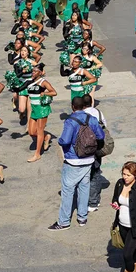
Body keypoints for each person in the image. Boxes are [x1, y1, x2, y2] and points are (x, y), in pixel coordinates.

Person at [49, 95, 105, 230]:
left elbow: (66, 140)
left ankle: (64, 221)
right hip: (89, 158)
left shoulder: (70, 121)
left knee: (68, 190)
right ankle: (82, 218)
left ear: (73, 106)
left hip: (73, 159)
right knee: (84, 187)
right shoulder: (91, 119)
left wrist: (60, 141)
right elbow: (101, 136)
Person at [25, 66, 57, 163]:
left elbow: (54, 92)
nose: (33, 72)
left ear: (40, 73)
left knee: (39, 131)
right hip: (34, 109)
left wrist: (45, 94)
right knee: (31, 132)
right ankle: (46, 136)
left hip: (42, 109)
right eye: (32, 71)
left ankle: (37, 154)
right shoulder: (30, 81)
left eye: (35, 71)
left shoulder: (44, 82)